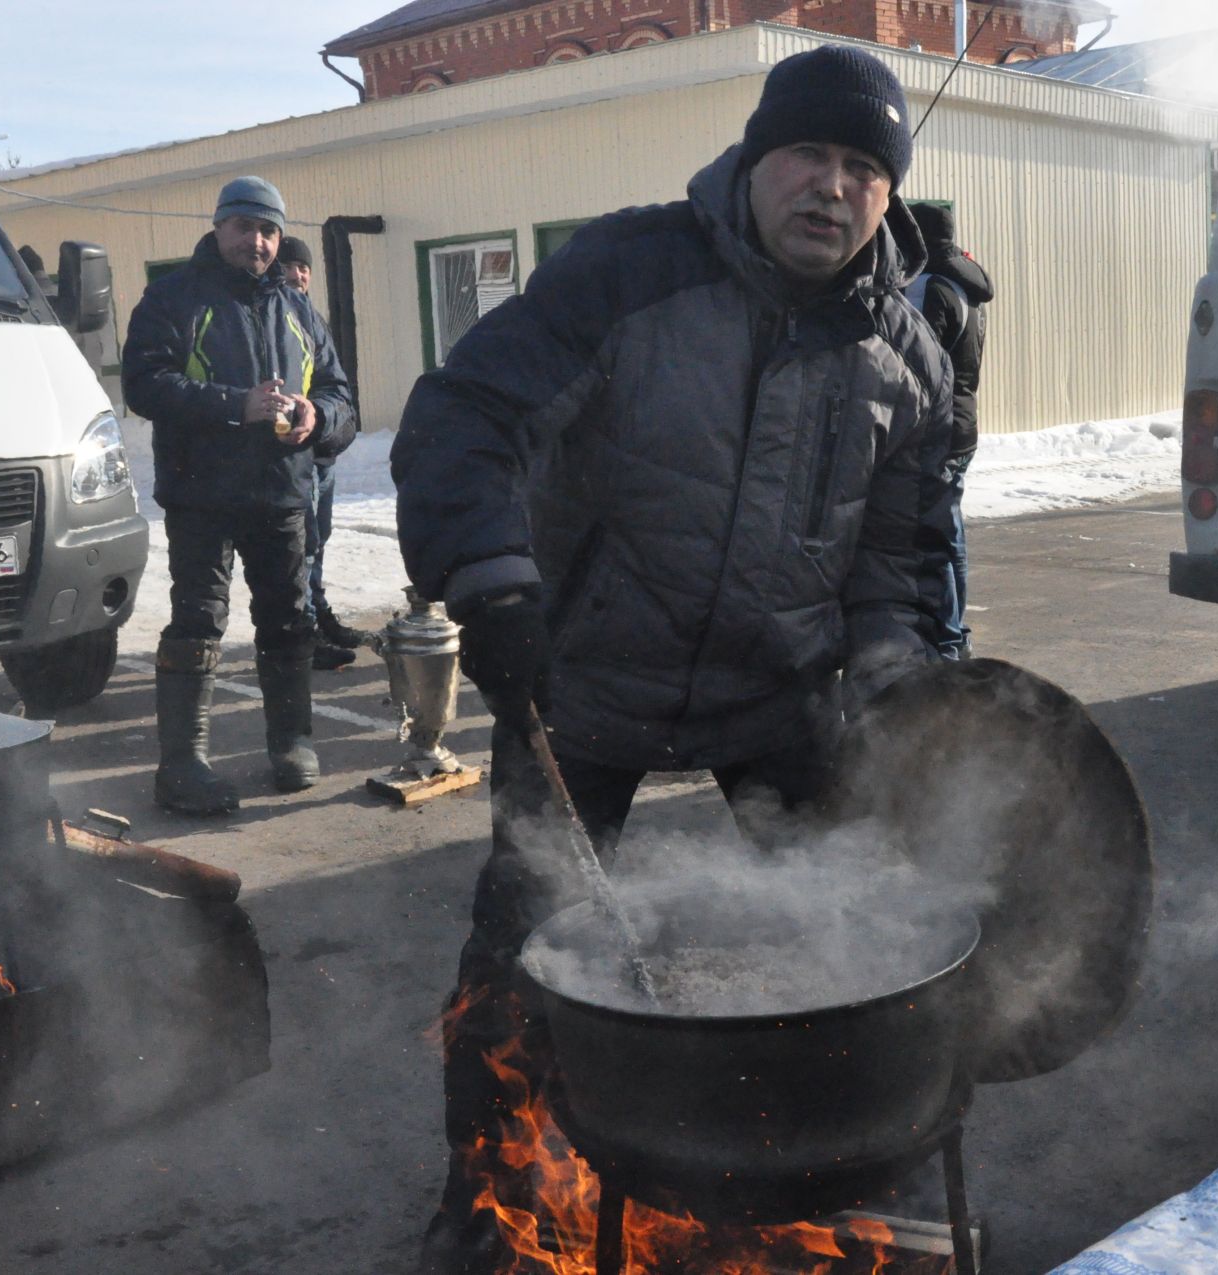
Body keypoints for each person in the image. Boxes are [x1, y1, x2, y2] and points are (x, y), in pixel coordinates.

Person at [392, 45, 953, 1271]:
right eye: (810, 152)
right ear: (756, 158)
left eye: (865, 167)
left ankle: (818, 1169)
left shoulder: (907, 360)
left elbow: (895, 570)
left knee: (855, 940)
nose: (832, 185)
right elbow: (465, 415)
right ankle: (488, 1188)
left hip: (777, 690)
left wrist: (909, 692)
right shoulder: (630, 270)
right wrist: (493, 585)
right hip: (582, 675)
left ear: (888, 196)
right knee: (523, 947)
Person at [122, 176, 357, 814]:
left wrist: (318, 418)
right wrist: (238, 406)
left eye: (269, 231)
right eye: (245, 227)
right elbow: (145, 384)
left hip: (282, 494)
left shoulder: (299, 307)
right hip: (202, 496)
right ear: (219, 227)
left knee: (288, 617)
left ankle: (291, 742)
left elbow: (340, 394)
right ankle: (181, 765)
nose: (257, 241)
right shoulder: (174, 297)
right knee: (198, 621)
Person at [275, 234, 377, 671]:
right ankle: (307, 629)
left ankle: (320, 615)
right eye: (289, 266)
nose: (298, 274)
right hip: (293, 459)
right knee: (305, 547)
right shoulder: (273, 321)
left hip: (322, 455)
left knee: (321, 540)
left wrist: (328, 421)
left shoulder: (310, 318)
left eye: (304, 268)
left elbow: (333, 386)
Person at [906, 201, 994, 659]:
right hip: (964, 425)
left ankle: (948, 639)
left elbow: (913, 365)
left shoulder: (927, 288)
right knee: (951, 531)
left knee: (935, 538)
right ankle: (956, 632)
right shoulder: (967, 289)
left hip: (937, 432)